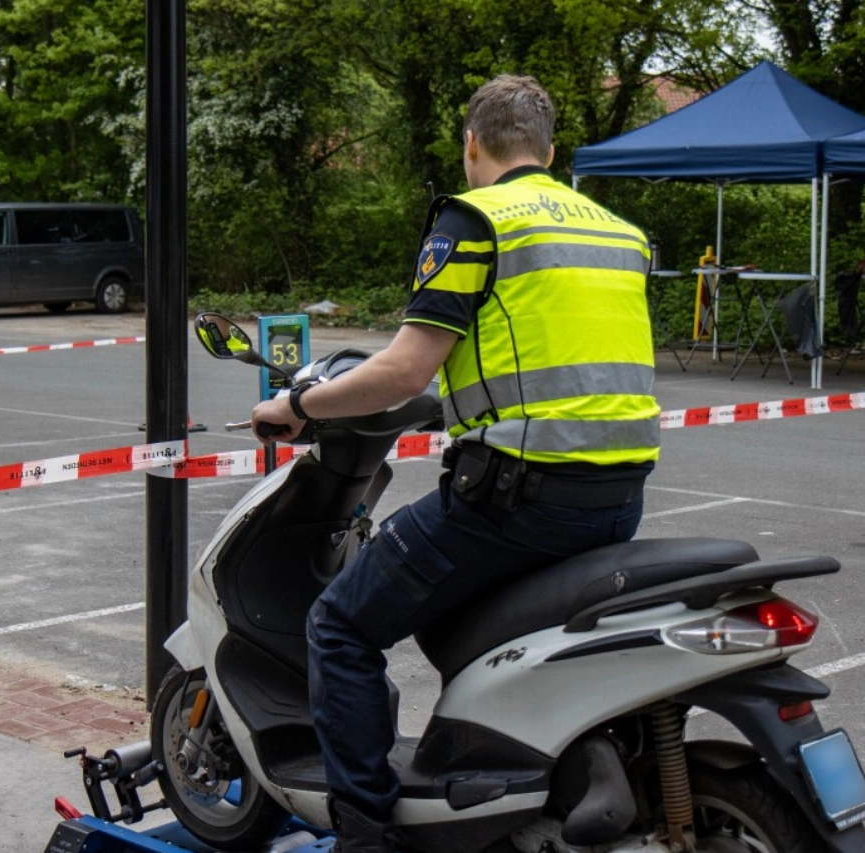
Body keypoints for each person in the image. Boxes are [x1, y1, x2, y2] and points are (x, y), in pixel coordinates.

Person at [250, 75, 660, 853]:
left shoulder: (474, 220)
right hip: (617, 501)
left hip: (515, 504)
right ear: (551, 152)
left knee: (338, 623)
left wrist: (299, 406)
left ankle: (365, 834)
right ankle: (542, 765)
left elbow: (405, 370)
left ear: (472, 144)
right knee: (463, 621)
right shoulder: (619, 232)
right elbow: (552, 354)